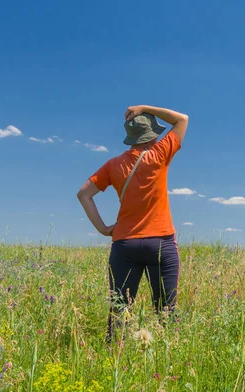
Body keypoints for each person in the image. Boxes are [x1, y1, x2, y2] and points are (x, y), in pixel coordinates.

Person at [77, 105, 189, 341]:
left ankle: (113, 361)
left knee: (119, 312)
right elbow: (182, 119)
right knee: (167, 312)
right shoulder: (160, 153)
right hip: (161, 242)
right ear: (152, 135)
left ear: (131, 138)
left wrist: (104, 228)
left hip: (125, 243)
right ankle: (167, 363)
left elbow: (84, 194)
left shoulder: (113, 165)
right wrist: (145, 108)